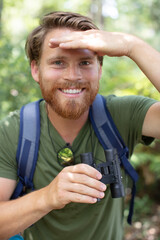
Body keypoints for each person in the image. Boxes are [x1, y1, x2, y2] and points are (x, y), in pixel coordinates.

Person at [0, 11, 160, 240]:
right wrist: (48, 197)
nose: (73, 75)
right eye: (58, 62)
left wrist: (132, 46)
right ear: (36, 69)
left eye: (85, 62)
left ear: (100, 69)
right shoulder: (12, 130)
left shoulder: (121, 115)